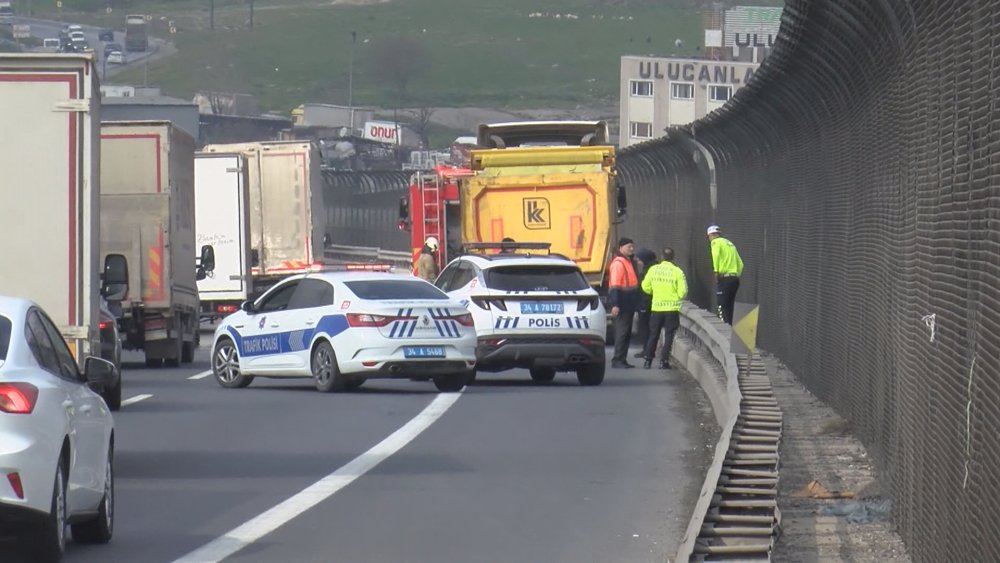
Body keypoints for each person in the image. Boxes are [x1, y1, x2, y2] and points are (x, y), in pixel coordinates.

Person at [640, 247, 688, 369]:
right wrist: (675, 296)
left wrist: (653, 292)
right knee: (669, 335)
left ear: (662, 257)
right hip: (671, 309)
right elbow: (683, 292)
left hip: (657, 308)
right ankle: (664, 361)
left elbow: (645, 286)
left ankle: (648, 360)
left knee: (653, 334)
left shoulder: (653, 270)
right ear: (673, 258)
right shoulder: (677, 272)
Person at [608, 237, 640, 368]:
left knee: (626, 332)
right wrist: (615, 304)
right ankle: (617, 359)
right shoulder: (618, 263)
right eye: (629, 247)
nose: (631, 249)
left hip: (628, 302)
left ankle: (622, 359)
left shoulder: (628, 262)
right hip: (622, 303)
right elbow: (615, 285)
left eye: (632, 246)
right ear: (621, 247)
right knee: (622, 332)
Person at [707, 225, 743, 325]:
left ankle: (725, 328)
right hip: (734, 279)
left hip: (725, 278)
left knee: (722, 305)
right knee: (730, 305)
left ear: (711, 235)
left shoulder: (715, 242)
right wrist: (735, 274)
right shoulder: (730, 243)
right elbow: (740, 263)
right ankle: (730, 326)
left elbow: (716, 255)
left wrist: (716, 271)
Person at [632, 248, 658, 359]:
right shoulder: (652, 268)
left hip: (647, 305)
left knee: (646, 328)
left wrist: (643, 306)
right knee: (648, 328)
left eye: (639, 259)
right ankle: (647, 350)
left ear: (645, 259)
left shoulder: (648, 271)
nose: (638, 261)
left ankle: (647, 351)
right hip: (651, 304)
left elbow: (645, 290)